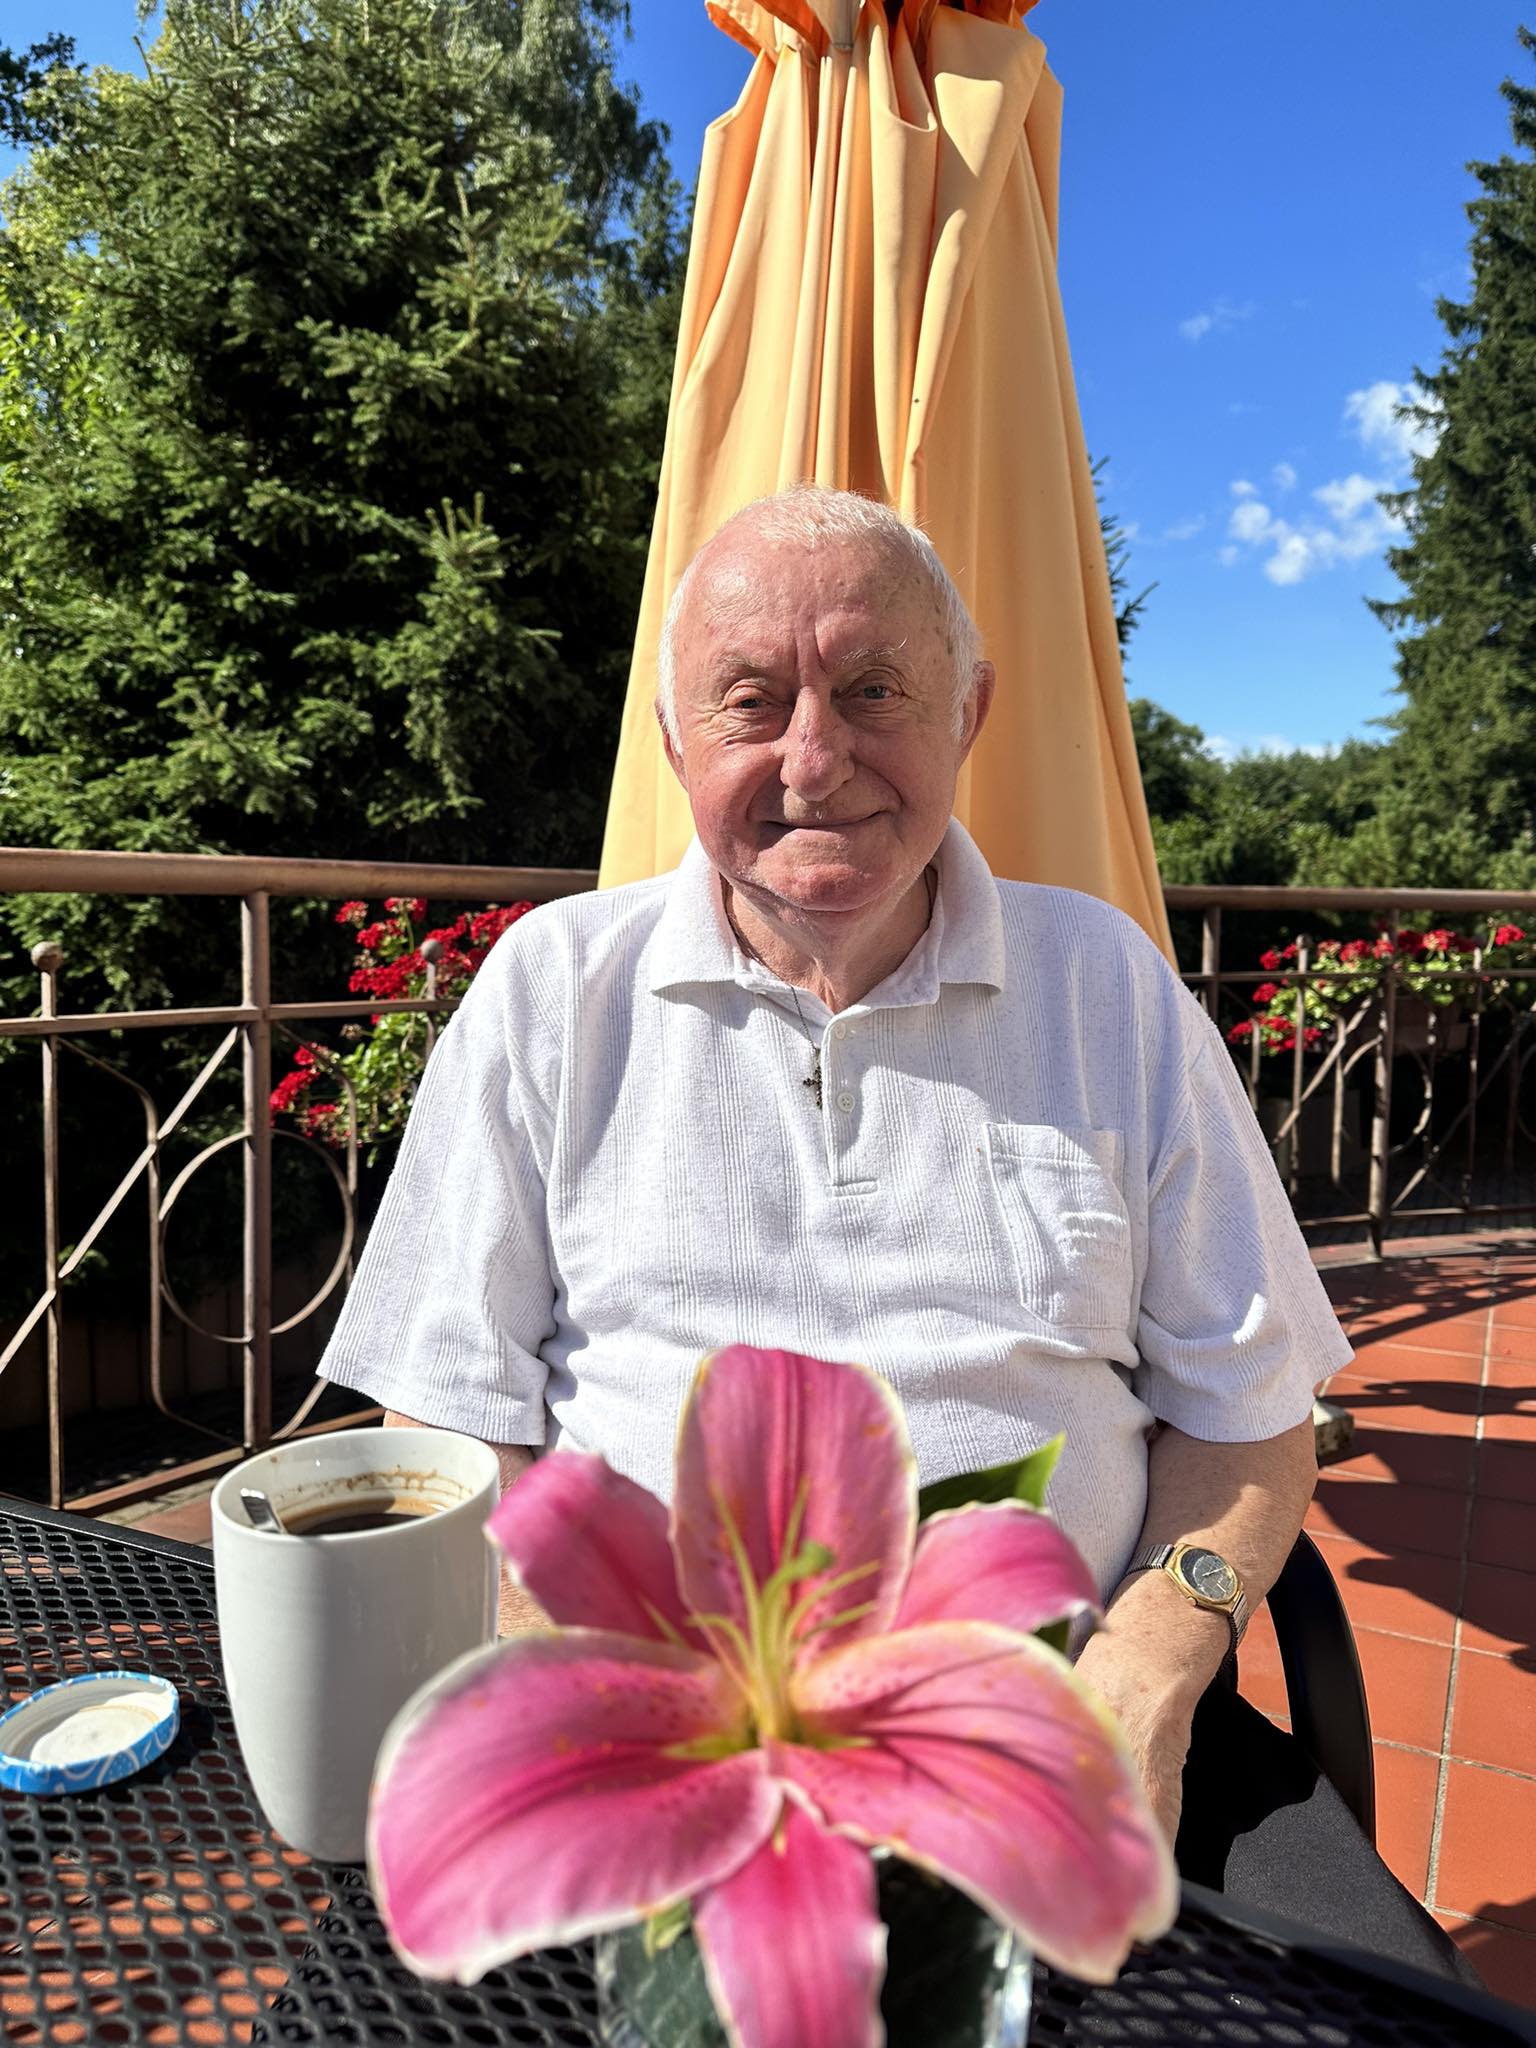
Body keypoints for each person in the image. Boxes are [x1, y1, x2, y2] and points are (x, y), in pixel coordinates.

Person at [319, 483, 1467, 1980]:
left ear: (967, 711)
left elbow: (1252, 1421)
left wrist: (1148, 1670)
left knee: (1395, 2021)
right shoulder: (554, 993)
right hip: (645, 1748)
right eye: (751, 701)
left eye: (874, 690)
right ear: (673, 739)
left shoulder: (1107, 990)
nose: (815, 758)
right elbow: (444, 1414)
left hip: (1070, 1733)